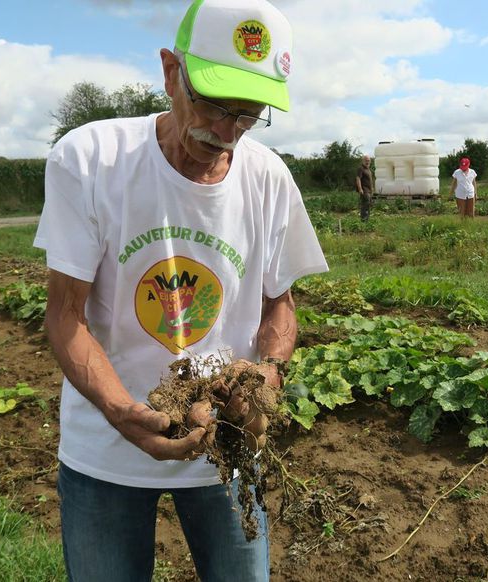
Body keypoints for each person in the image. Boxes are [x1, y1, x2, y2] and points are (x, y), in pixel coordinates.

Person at [33, 1, 328, 580]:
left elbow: (280, 309)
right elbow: (65, 317)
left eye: (248, 115)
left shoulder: (269, 176)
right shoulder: (91, 159)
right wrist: (122, 411)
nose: (225, 133)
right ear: (172, 72)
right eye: (214, 105)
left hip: (227, 444)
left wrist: (265, 378)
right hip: (105, 450)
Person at [355, 154, 374, 221]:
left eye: (368, 160)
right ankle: (364, 219)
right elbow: (358, 179)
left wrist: (372, 189)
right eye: (366, 160)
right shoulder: (361, 169)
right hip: (364, 190)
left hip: (369, 190)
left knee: (368, 204)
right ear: (363, 161)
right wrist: (360, 189)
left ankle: (366, 219)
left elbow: (370, 181)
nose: (367, 162)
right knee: (365, 204)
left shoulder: (368, 169)